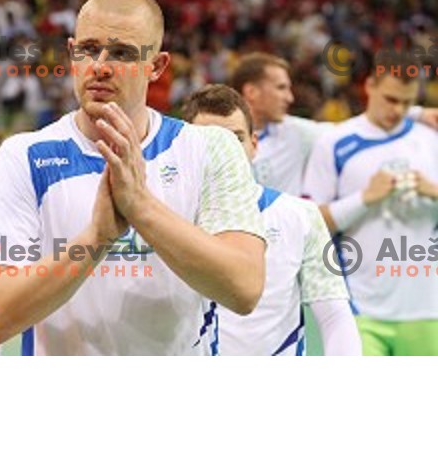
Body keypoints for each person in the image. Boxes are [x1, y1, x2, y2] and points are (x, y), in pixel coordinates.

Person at [0, 0, 266, 355]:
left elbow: (244, 287)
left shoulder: (208, 148)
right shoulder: (23, 156)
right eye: (89, 49)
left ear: (156, 67)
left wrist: (140, 206)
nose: (101, 66)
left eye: (123, 53)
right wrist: (95, 239)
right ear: (71, 54)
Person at [183, 84, 361, 355]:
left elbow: (335, 315)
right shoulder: (164, 218)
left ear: (254, 145)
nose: (225, 154)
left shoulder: (303, 216)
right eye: (210, 142)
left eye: (236, 139)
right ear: (186, 149)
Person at [303, 51, 438, 355]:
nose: (398, 110)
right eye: (391, 99)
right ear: (369, 86)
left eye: (407, 102)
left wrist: (434, 191)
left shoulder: (431, 137)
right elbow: (311, 222)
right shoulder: (335, 142)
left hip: (427, 309)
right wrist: (364, 199)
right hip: (359, 308)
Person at [232, 52, 438, 196]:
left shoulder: (294, 133)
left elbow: (355, 128)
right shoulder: (212, 138)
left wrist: (414, 113)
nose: (290, 97)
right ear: (251, 92)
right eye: (281, 88)